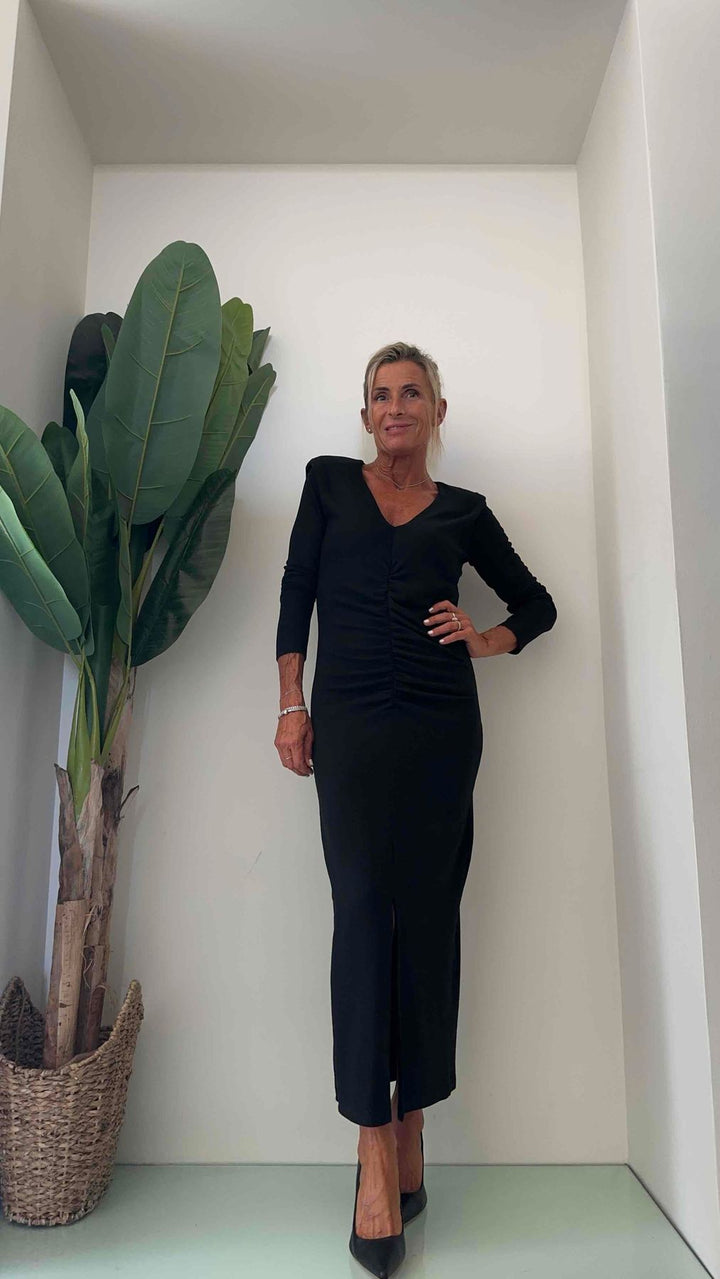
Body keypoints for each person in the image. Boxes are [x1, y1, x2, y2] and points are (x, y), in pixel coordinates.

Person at [274, 341, 557, 1278]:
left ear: (438, 410)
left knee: (428, 919)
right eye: (381, 395)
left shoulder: (465, 510)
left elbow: (538, 604)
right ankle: (371, 1147)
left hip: (441, 730)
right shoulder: (328, 484)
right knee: (362, 914)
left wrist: (484, 639)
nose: (396, 407)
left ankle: (413, 1123)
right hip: (352, 728)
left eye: (412, 393)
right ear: (365, 415)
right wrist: (290, 703)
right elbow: (297, 591)